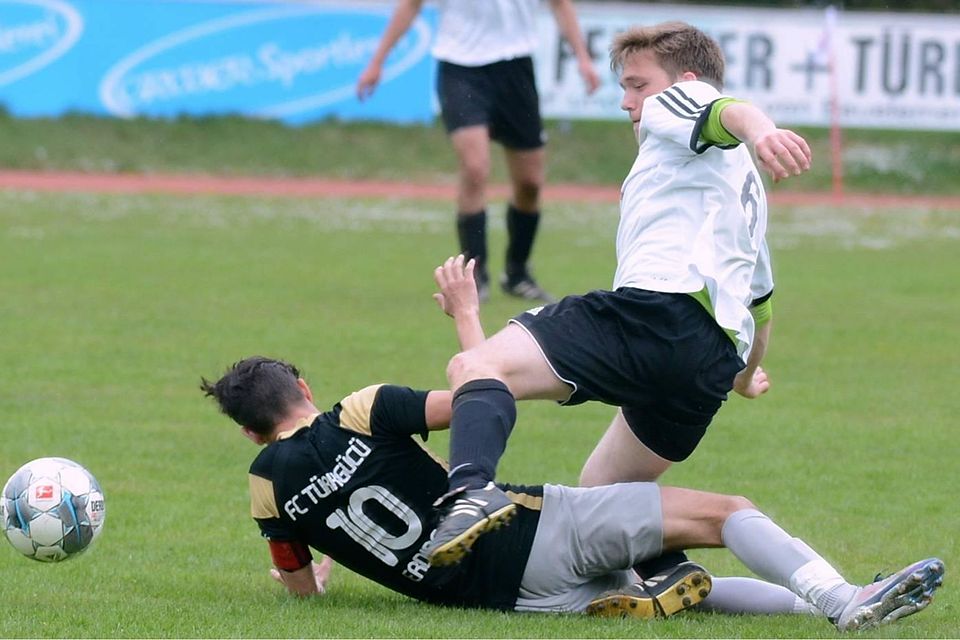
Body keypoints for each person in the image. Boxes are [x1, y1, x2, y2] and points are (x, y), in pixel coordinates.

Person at [425, 22, 813, 579]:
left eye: (636, 85)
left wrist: (764, 130)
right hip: (713, 359)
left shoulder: (678, 105)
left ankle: (468, 494)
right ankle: (676, 577)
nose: (627, 102)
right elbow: (762, 306)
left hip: (657, 313)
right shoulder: (734, 184)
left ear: (684, 80)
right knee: (603, 493)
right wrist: (747, 375)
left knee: (477, 365)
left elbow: (729, 109)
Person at [200, 356, 943, 631]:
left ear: (247, 433)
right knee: (726, 513)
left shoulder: (265, 488)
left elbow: (297, 586)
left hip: (488, 598)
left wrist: (318, 580)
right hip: (527, 530)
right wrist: (473, 335)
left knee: (695, 590)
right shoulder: (357, 409)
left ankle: (850, 600)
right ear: (302, 388)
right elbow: (478, 399)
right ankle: (845, 601)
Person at [357, 0, 601, 303]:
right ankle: (476, 275)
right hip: (460, 69)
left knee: (530, 183)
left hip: (515, 67)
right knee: (475, 168)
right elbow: (411, 5)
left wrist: (583, 58)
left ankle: (517, 273)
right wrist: (377, 62)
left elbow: (560, 5)